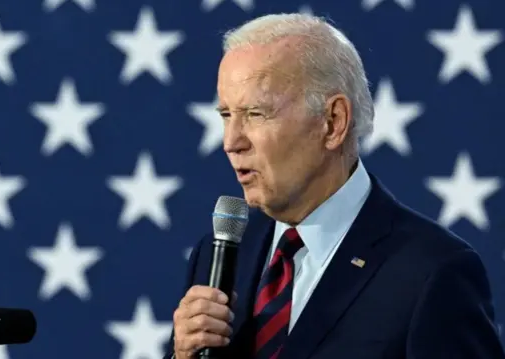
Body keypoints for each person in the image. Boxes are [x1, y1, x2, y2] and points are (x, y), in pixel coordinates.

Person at [163, 12, 505, 359]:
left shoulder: (433, 273)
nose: (231, 141)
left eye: (255, 114)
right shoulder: (217, 256)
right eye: (226, 115)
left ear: (332, 122)